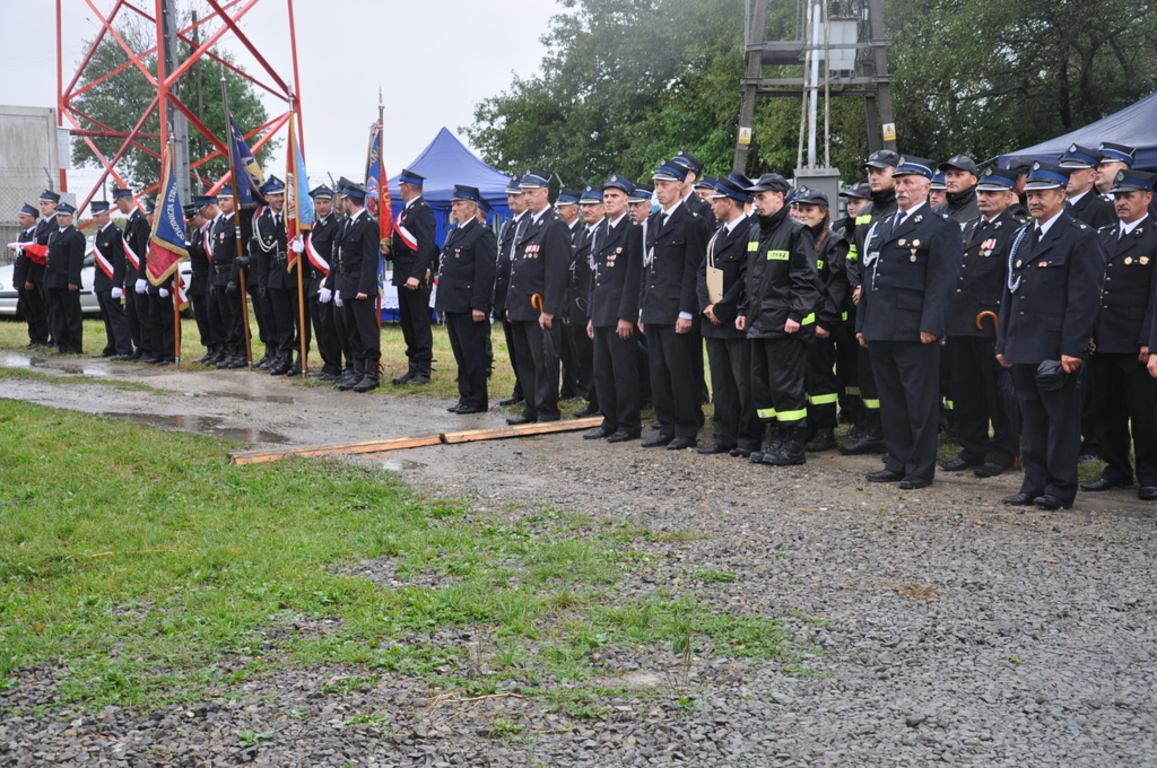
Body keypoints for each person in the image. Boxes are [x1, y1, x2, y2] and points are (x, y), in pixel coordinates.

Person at [997, 161, 1105, 510]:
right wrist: (1004, 343)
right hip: (1024, 343)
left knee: (1061, 421)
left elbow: (1084, 299)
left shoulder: (1080, 236)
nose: (1034, 201)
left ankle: (1060, 488)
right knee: (1032, 419)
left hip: (1057, 346)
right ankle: (1034, 483)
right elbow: (1011, 293)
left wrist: (1073, 348)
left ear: (1061, 195)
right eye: (1030, 195)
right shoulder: (1024, 236)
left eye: (1042, 194)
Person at [856, 156, 962, 489]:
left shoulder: (940, 225)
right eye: (898, 182)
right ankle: (897, 460)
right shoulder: (884, 223)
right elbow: (869, 276)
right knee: (892, 400)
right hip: (881, 326)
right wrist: (863, 322)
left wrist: (932, 325)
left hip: (915, 328)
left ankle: (920, 467)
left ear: (927, 187)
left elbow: (943, 282)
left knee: (919, 402)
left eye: (909, 182)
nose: (901, 189)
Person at [939, 167, 1022, 478]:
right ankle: (972, 447)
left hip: (991, 324)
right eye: (982, 193)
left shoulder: (1015, 230)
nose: (984, 198)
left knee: (998, 394)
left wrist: (1007, 326)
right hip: (962, 322)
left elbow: (1012, 282)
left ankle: (1002, 451)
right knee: (966, 390)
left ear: (1009, 197)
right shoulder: (969, 227)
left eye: (991, 193)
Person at [1083, 169, 1157, 499]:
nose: (1121, 202)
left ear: (1147, 198)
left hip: (1136, 342)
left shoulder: (1154, 236)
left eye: (1128, 196)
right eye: (1117, 196)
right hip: (1103, 341)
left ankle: (1150, 473)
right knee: (1106, 410)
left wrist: (1151, 341)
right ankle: (1117, 469)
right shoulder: (1103, 235)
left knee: (1145, 413)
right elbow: (1090, 289)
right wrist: (1087, 332)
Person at [737, 173, 819, 466]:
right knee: (762, 386)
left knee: (786, 385)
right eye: (754, 198)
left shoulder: (797, 232)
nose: (756, 202)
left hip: (784, 323)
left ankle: (793, 444)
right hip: (759, 322)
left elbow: (807, 280)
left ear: (779, 197)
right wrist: (743, 310)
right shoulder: (756, 232)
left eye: (761, 197)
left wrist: (796, 314)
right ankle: (776, 439)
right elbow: (751, 277)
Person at [639, 159, 710, 449]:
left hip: (676, 309)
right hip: (655, 306)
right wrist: (642, 308)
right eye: (656, 185)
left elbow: (692, 269)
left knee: (680, 371)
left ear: (680, 185)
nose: (659, 190)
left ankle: (686, 427)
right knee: (658, 371)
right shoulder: (654, 220)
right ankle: (666, 425)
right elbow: (649, 269)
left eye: (665, 184)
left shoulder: (693, 220)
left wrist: (685, 311)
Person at [694, 173, 760, 457]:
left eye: (716, 200)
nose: (711, 205)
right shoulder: (717, 234)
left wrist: (722, 309)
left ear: (730, 202)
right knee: (721, 383)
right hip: (713, 320)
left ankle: (747, 439)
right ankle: (724, 435)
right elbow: (701, 273)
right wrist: (706, 306)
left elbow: (746, 278)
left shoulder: (751, 232)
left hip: (734, 320)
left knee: (743, 382)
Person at [842, 149, 900, 455]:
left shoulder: (900, 209)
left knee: (892, 372)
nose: (873, 176)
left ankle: (894, 434)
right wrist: (857, 284)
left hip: (892, 303)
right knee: (867, 370)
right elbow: (854, 256)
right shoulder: (865, 214)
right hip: (866, 302)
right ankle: (873, 428)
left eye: (880, 171)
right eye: (870, 171)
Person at [504, 169, 571, 425]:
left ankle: (547, 409)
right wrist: (511, 305)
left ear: (545, 192)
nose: (527, 197)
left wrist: (550, 309)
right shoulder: (525, 223)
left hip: (540, 307)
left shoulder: (554, 225)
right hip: (521, 305)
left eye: (531, 193)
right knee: (526, 361)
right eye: (524, 193)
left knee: (544, 361)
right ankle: (531, 407)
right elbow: (517, 267)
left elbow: (557, 272)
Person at [584, 174, 644, 443]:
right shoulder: (601, 231)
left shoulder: (633, 231)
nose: (608, 200)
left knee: (623, 371)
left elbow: (633, 277)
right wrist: (591, 315)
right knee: (602, 371)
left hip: (620, 313)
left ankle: (628, 424)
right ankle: (609, 420)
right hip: (601, 312)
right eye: (606, 196)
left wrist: (626, 315)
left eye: (614, 196)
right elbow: (596, 277)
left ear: (627, 200)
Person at [793, 186, 849, 453]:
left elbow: (837, 286)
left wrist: (825, 321)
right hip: (798, 323)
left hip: (819, 325)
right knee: (802, 378)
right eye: (800, 210)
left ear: (823, 213)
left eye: (809, 210)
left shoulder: (833, 242)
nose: (803, 215)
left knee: (820, 380)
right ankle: (809, 427)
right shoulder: (796, 238)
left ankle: (826, 430)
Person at [436, 185, 498, 414]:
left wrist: (479, 305)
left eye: (459, 204)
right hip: (453, 301)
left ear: (472, 207)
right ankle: (465, 396)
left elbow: (485, 272)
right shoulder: (455, 232)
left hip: (468, 303)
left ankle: (477, 399)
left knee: (473, 354)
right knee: (460, 353)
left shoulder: (481, 233)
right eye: (454, 204)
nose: (455, 208)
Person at [389, 169, 438, 385]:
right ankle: (413, 367)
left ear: (407, 187)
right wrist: (388, 252)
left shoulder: (423, 211)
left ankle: (424, 370)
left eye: (401, 186)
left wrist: (417, 275)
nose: (400, 189)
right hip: (402, 273)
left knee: (419, 322)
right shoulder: (406, 212)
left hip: (414, 276)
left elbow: (426, 247)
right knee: (407, 323)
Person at [333, 180, 382, 392]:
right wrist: (338, 286)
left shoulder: (368, 224)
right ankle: (358, 371)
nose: (340, 202)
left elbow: (370, 259)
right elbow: (339, 257)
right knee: (352, 330)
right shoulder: (346, 223)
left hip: (360, 285)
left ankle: (371, 374)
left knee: (366, 331)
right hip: (346, 283)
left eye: (341, 199)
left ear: (347, 199)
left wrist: (364, 288)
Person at [252, 176, 300, 375]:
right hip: (274, 276)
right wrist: (262, 283)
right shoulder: (262, 221)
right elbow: (262, 256)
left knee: (300, 319)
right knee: (282, 320)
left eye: (282, 195)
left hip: (294, 274)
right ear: (266, 198)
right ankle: (285, 356)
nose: (280, 199)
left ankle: (301, 357)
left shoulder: (293, 217)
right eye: (275, 196)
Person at [494, 176, 528, 407]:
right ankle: (520, 387)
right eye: (509, 196)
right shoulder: (508, 224)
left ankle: (529, 391)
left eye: (516, 195)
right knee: (514, 348)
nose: (511, 200)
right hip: (505, 293)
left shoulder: (529, 223)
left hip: (522, 296)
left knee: (526, 350)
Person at [304, 185, 344, 380]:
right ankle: (326, 362)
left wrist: (330, 283)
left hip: (327, 282)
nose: (321, 207)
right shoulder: (314, 227)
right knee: (319, 327)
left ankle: (334, 365)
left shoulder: (336, 225)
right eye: (318, 203)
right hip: (312, 283)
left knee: (329, 327)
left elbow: (335, 257)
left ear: (332, 203)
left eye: (325, 203)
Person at [570, 187, 603, 416]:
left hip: (596, 302)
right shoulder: (582, 232)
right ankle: (590, 394)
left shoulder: (604, 232)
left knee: (596, 355)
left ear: (602, 207)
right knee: (582, 352)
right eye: (584, 206)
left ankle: (597, 399)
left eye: (592, 205)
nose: (587, 210)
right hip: (578, 302)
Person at [207, 189, 248, 370]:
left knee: (236, 316)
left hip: (232, 275)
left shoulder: (238, 222)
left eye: (226, 199)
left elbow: (236, 252)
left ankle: (242, 351)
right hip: (219, 275)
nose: (222, 203)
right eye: (220, 200)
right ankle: (232, 350)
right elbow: (215, 254)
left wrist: (233, 279)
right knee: (225, 316)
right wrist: (213, 280)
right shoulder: (219, 223)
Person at [90, 200, 133, 360]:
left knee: (117, 317)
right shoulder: (99, 234)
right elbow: (97, 263)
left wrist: (117, 284)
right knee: (107, 317)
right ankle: (112, 346)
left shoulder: (115, 233)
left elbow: (119, 261)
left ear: (107, 214)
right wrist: (96, 283)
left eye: (98, 216)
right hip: (101, 282)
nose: (96, 219)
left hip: (111, 281)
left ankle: (124, 348)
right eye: (94, 216)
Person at [112, 186, 152, 361]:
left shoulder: (141, 220)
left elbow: (144, 251)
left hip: (138, 276)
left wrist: (142, 277)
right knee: (132, 314)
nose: (118, 207)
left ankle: (148, 348)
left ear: (122, 201)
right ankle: (140, 348)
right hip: (131, 276)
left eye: (118, 203)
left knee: (142, 314)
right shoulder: (131, 221)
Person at [43, 202, 86, 355]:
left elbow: (76, 260)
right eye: (59, 216)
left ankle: (74, 346)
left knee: (71, 314)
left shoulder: (75, 235)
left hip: (67, 281)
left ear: (71, 218)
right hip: (53, 280)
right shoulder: (54, 234)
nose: (61, 219)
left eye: (64, 216)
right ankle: (61, 345)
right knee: (57, 314)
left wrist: (73, 280)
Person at [555, 187, 585, 402]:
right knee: (565, 348)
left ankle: (581, 388)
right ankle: (568, 388)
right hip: (563, 300)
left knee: (578, 348)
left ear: (574, 210)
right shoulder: (559, 231)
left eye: (562, 207)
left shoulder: (581, 232)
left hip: (578, 300)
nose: (557, 211)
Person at [11, 203, 48, 348]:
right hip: (21, 277)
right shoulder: (23, 234)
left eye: (23, 218)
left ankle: (41, 337)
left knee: (37, 309)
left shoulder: (35, 235)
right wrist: (16, 279)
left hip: (30, 278)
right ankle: (33, 338)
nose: (20, 221)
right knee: (27, 310)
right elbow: (20, 259)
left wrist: (29, 279)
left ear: (32, 219)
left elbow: (33, 260)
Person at [1059, 144, 1116, 229]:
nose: (1067, 175)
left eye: (1074, 171)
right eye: (1064, 171)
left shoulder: (1102, 208)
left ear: (1092, 177)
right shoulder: (1058, 205)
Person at [936, 155, 981, 224]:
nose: (951, 180)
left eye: (958, 175)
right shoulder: (937, 211)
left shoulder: (982, 210)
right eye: (948, 175)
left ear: (973, 180)